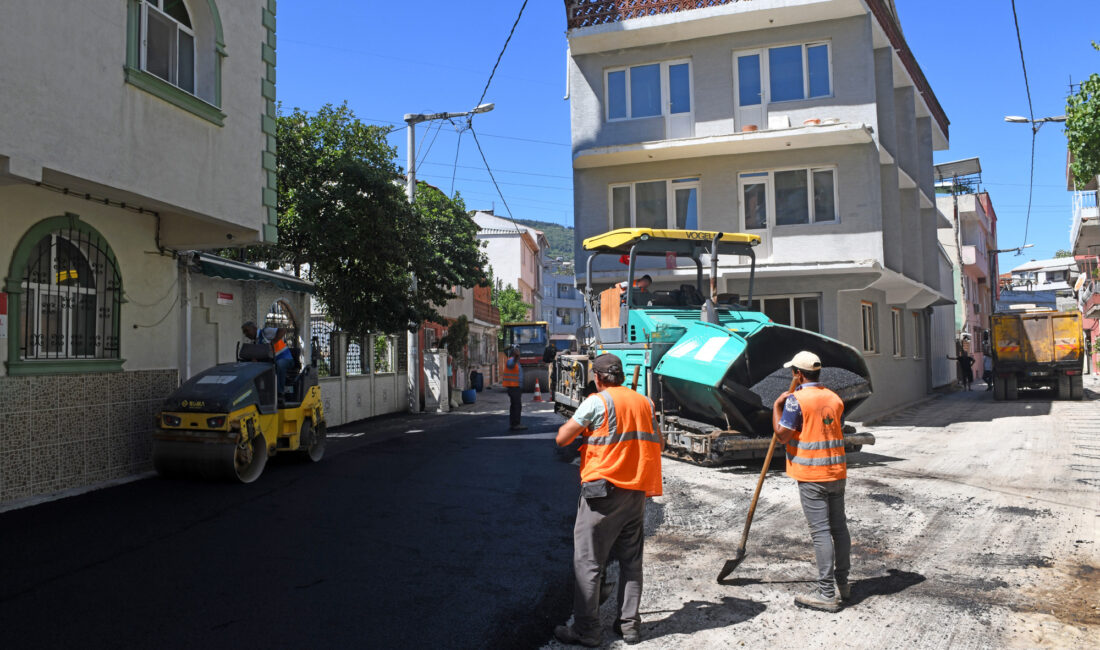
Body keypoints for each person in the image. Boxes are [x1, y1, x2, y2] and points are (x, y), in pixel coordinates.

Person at [553, 354, 663, 646]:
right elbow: (659, 443)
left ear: (598, 378)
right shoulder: (646, 403)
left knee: (588, 562)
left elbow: (562, 438)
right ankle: (629, 626)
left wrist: (587, 432)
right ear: (621, 376)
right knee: (631, 562)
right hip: (635, 492)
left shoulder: (596, 402)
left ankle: (586, 630)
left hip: (602, 492)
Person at [772, 351, 850, 613]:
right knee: (839, 528)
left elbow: (782, 435)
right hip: (836, 472)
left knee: (820, 533)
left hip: (812, 476)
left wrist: (777, 407)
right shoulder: (834, 398)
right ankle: (843, 584)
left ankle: (827, 593)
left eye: (792, 372)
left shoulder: (795, 401)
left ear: (798, 374)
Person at [242, 321, 294, 403]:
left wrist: (272, 343)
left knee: (279, 364)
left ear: (254, 328)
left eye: (247, 331)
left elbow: (283, 330)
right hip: (273, 362)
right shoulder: (255, 342)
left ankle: (280, 393)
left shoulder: (265, 332)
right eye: (244, 332)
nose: (246, 334)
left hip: (286, 359)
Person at [502, 346, 526, 431]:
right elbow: (511, 365)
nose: (519, 355)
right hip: (513, 387)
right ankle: (516, 424)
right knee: (516, 406)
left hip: (515, 387)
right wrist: (516, 357)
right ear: (514, 354)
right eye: (518, 354)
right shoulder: (511, 360)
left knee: (515, 406)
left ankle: (514, 423)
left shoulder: (516, 362)